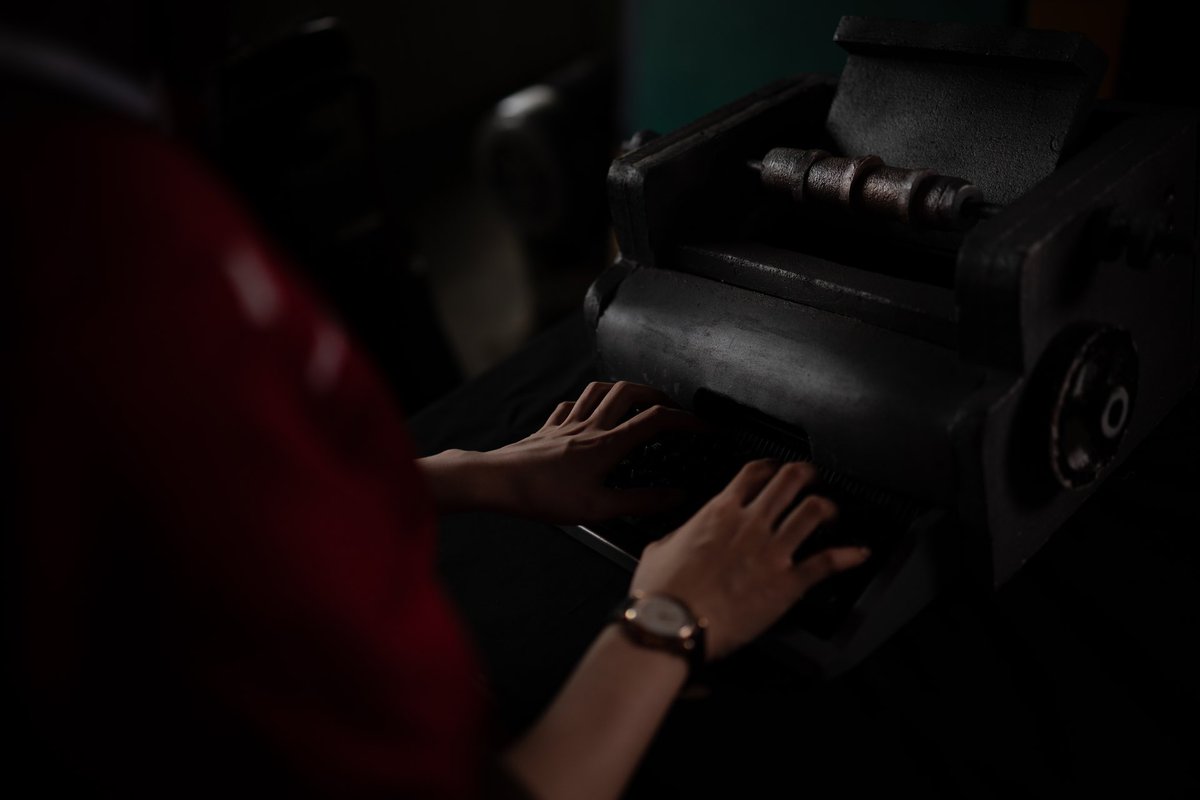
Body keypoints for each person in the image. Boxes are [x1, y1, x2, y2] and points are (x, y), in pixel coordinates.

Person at [2, 10, 869, 798]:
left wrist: (474, 474)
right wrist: (672, 621)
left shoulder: (94, 166)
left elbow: (185, 513)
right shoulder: (104, 267)